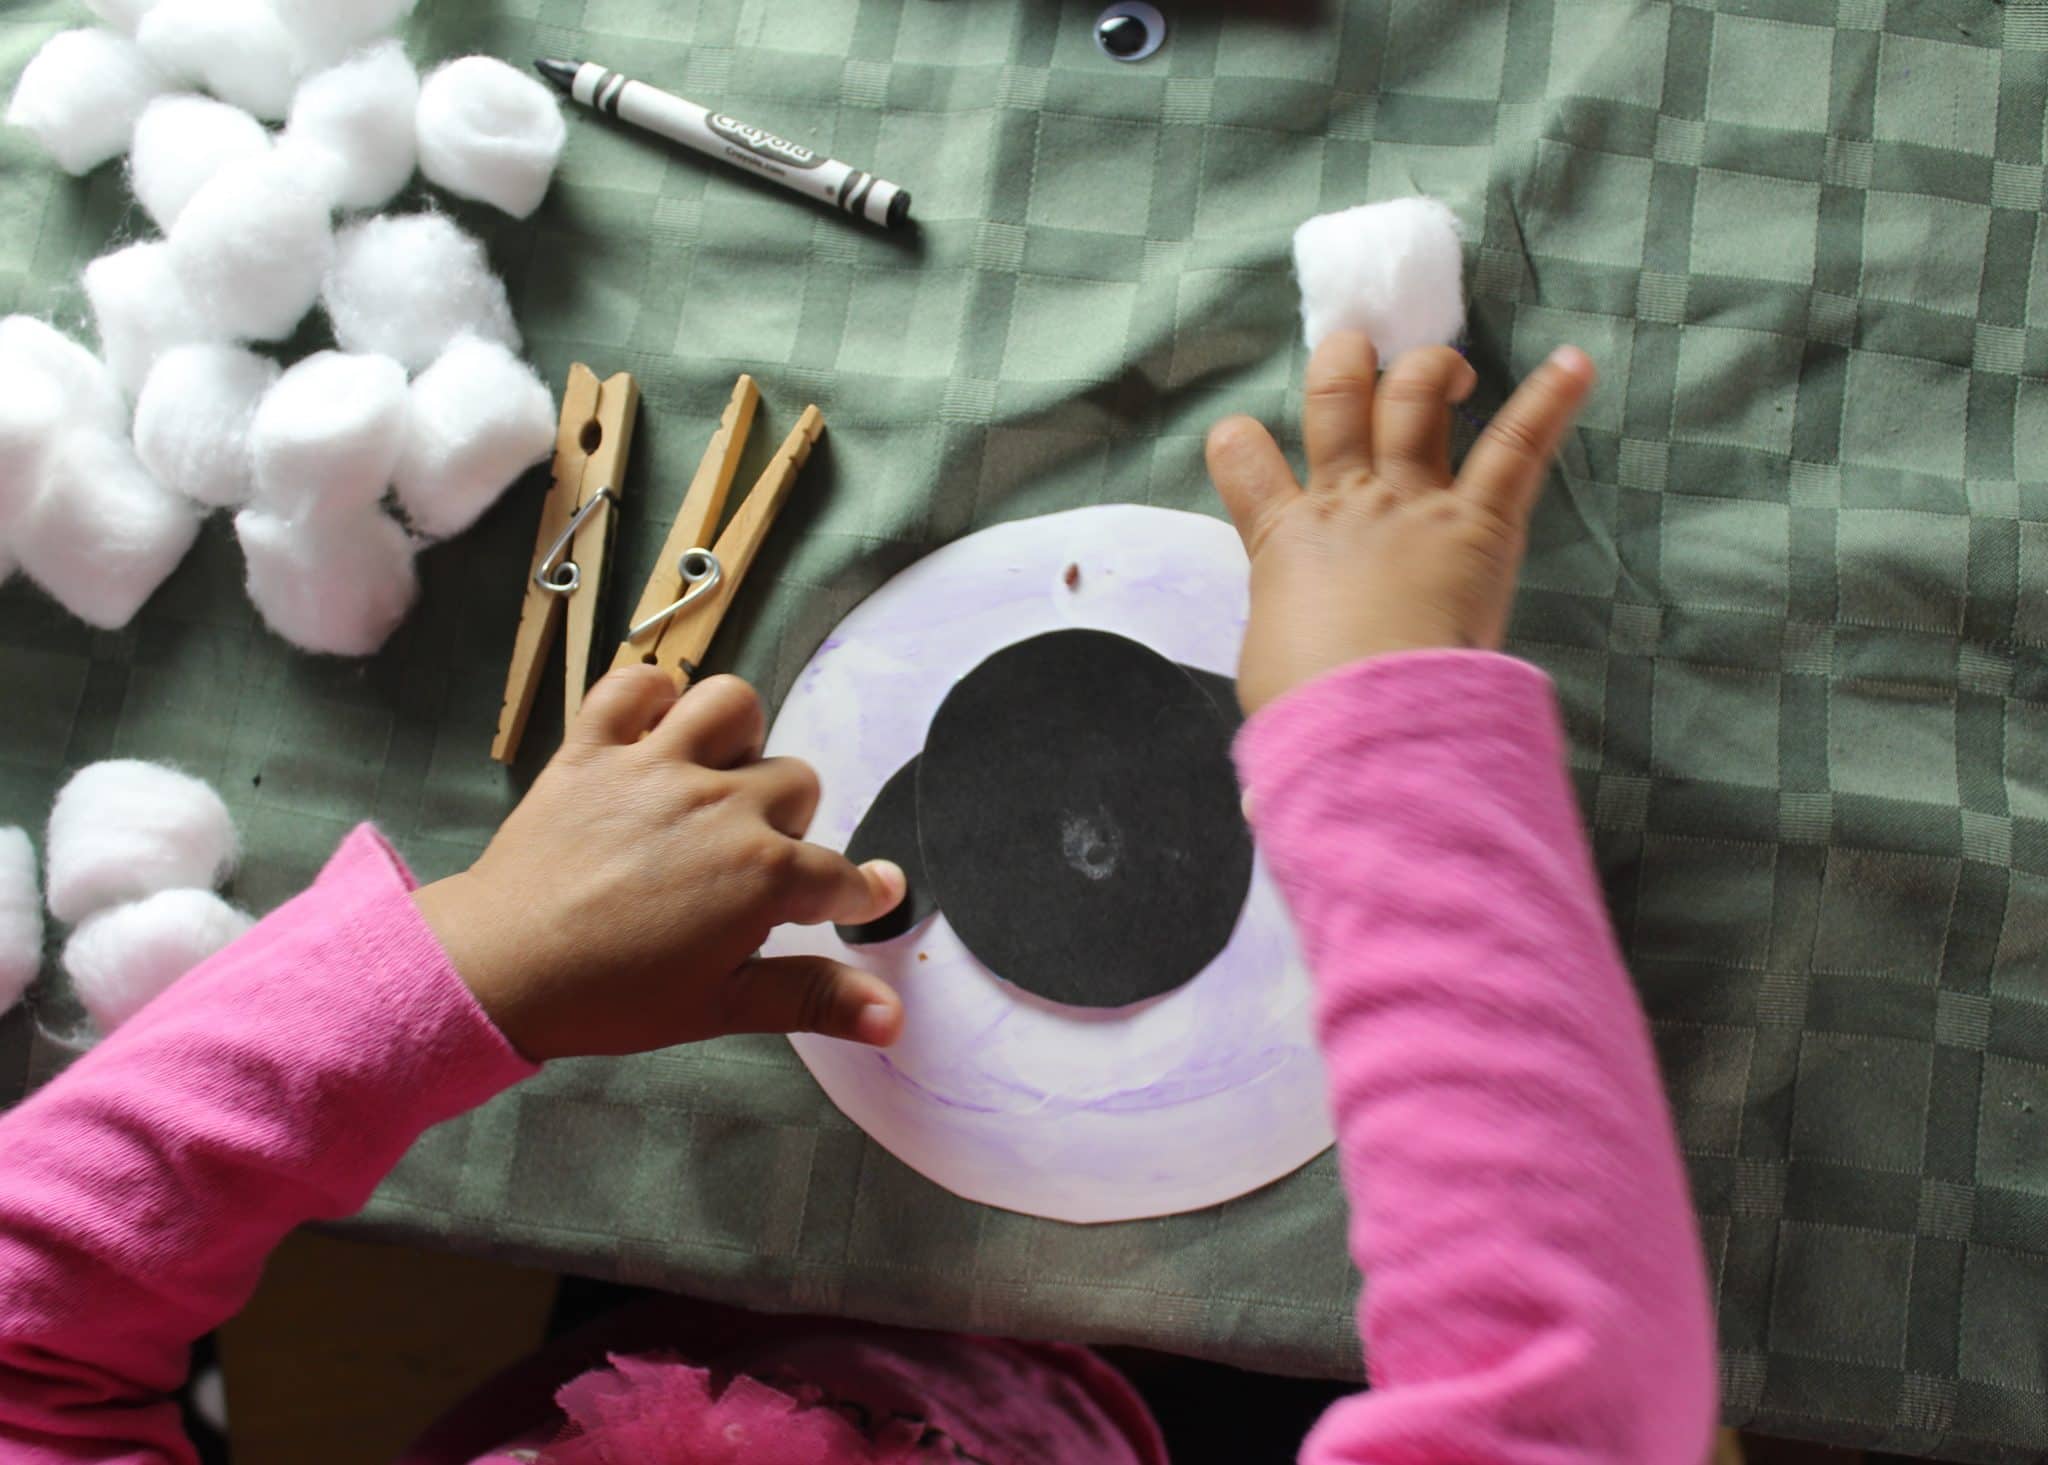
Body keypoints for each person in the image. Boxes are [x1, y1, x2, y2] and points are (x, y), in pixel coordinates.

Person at [0, 332, 1716, 1463]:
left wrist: (470, 965)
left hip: (633, 1378)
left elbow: (25, 1337)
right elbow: (1566, 1414)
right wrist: (1389, 730)